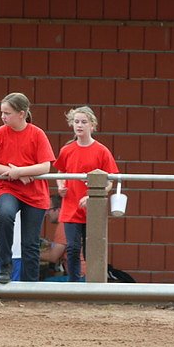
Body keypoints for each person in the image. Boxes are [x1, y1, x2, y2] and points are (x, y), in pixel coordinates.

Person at [0, 92, 55, 283]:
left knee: (30, 242)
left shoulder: (37, 133)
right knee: (5, 214)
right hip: (9, 188)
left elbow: (46, 166)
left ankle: (30, 282)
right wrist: (13, 173)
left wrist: (21, 171)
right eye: (2, 113)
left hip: (35, 193)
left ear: (21, 114)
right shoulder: (0, 133)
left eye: (7, 113)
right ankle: (5, 266)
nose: (3, 117)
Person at [54, 106, 119, 282]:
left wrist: (93, 196)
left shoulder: (102, 151)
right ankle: (74, 283)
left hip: (92, 208)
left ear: (92, 126)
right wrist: (60, 186)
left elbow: (109, 180)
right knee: (73, 247)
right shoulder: (67, 150)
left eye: (84, 122)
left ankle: (94, 282)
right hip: (70, 206)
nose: (79, 125)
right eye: (76, 122)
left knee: (93, 248)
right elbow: (60, 172)